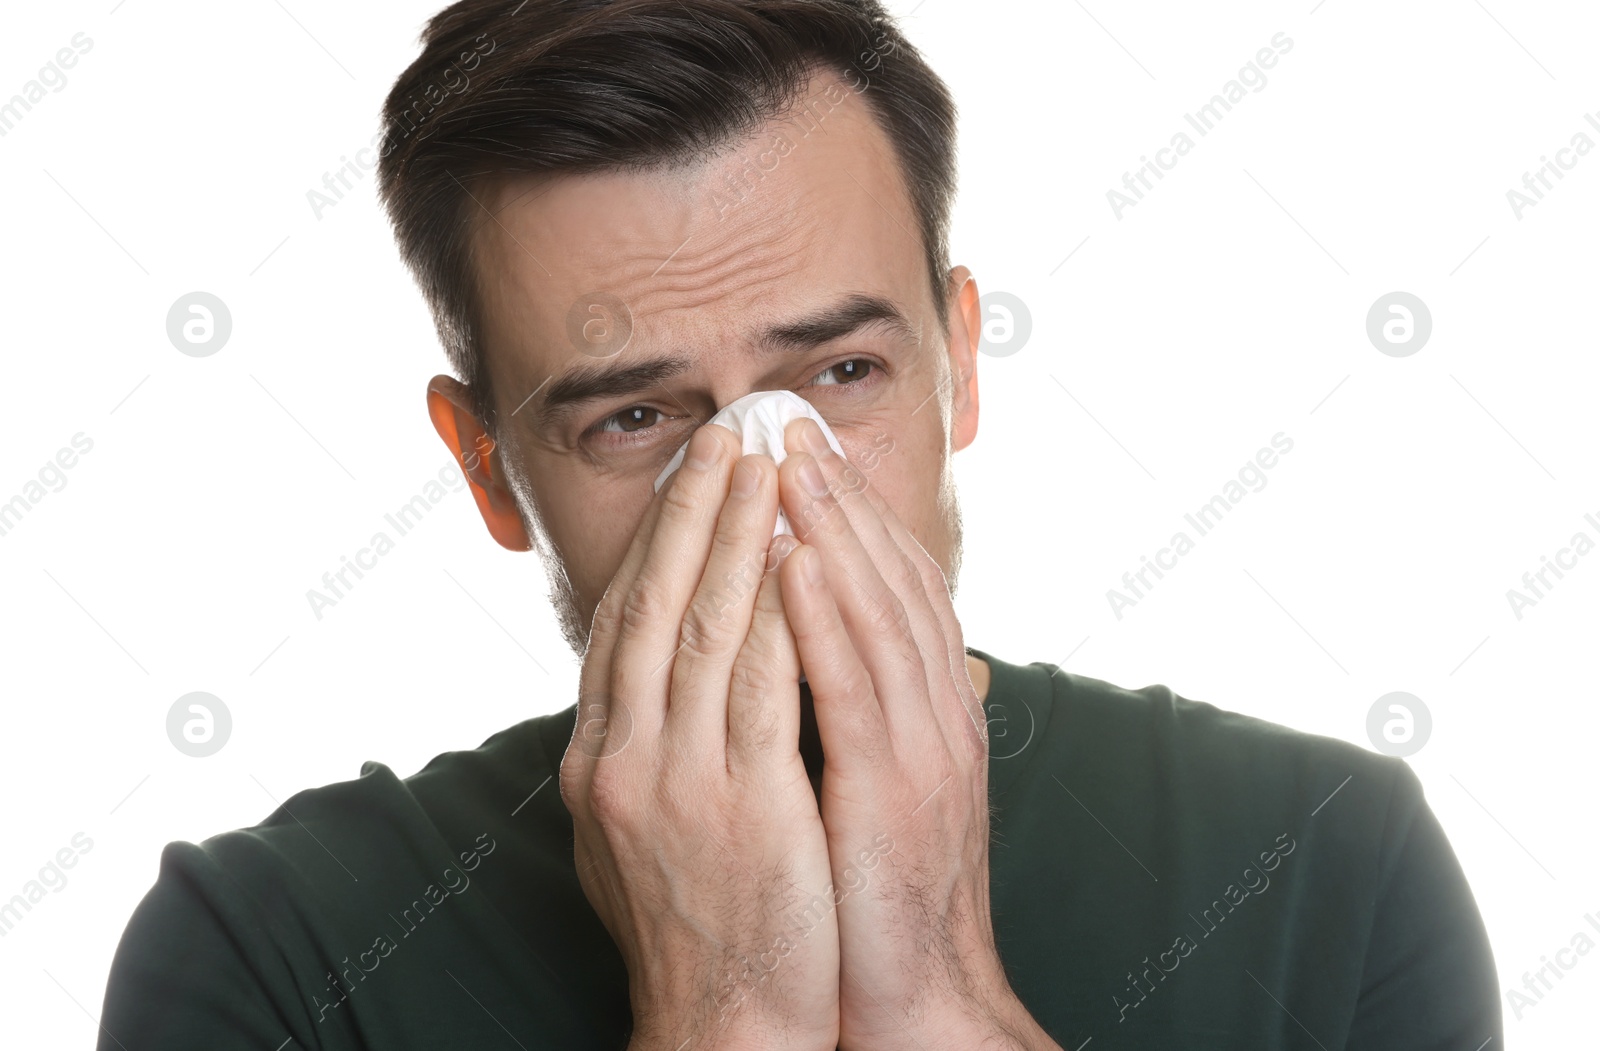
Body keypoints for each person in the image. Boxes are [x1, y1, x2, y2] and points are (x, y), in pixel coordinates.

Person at [98, 1, 1502, 1047]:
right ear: (486, 469)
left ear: (957, 360)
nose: (763, 487)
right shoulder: (271, 958)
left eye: (839, 376)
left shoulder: (1328, 866)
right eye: (636, 419)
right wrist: (729, 1011)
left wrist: (941, 996)